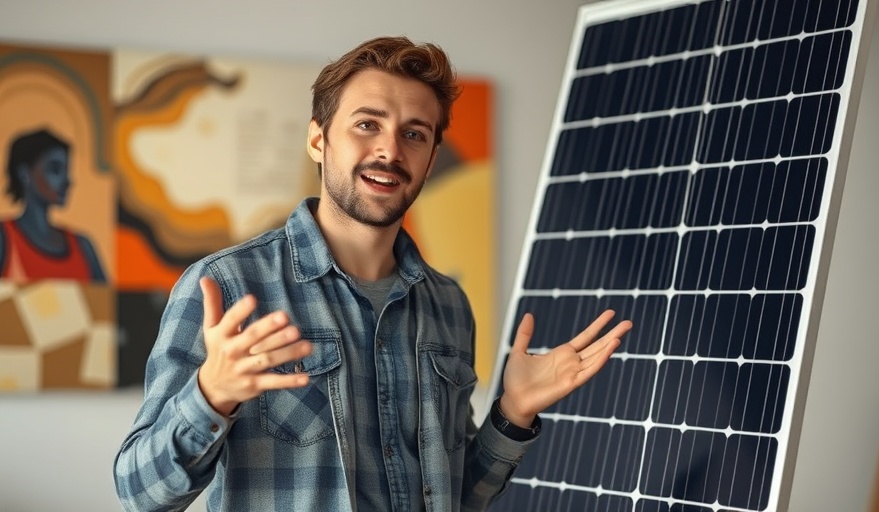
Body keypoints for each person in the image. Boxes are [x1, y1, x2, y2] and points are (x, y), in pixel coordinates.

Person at [113, 36, 632, 511]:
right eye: (367, 124)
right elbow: (139, 494)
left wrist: (512, 413)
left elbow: (460, 497)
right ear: (318, 140)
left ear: (430, 161)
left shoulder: (448, 303)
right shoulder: (226, 288)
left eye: (414, 134)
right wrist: (211, 394)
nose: (390, 150)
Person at [0, 127, 106, 282]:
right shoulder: (4, 238)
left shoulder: (83, 246)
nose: (67, 181)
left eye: (67, 171)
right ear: (24, 174)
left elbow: (107, 303)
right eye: (55, 170)